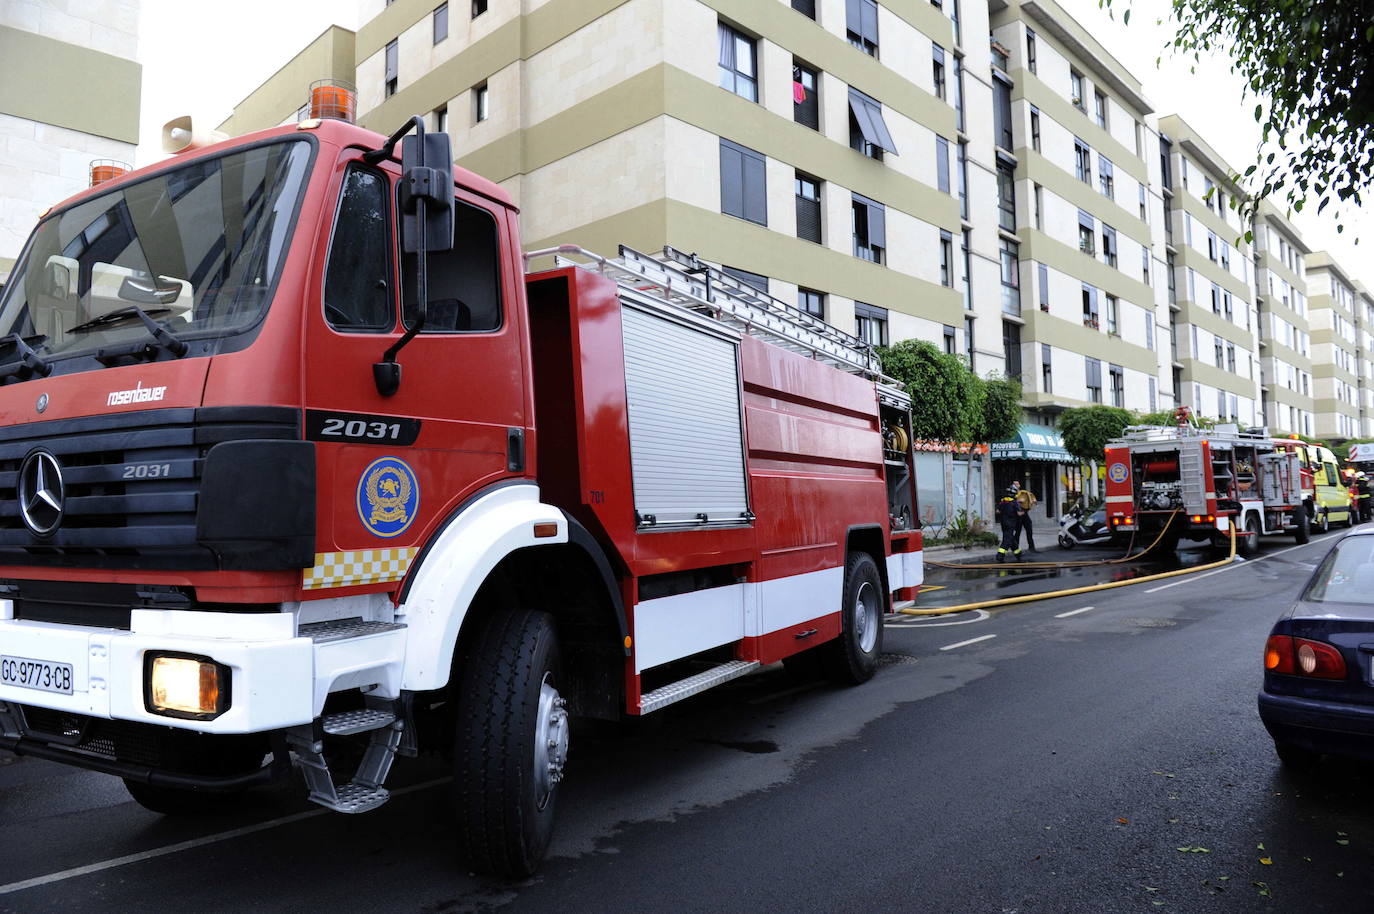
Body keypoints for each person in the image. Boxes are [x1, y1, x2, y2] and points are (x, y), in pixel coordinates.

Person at [997, 485, 1024, 562]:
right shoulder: (1014, 503)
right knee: (1007, 540)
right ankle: (1000, 555)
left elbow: (998, 511)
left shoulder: (1003, 501)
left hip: (1003, 523)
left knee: (1011, 539)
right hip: (1011, 524)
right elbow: (1019, 513)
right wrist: (1024, 511)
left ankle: (1018, 554)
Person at [1014, 481, 1038, 552]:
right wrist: (1018, 501)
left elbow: (1031, 496)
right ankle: (1015, 549)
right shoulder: (1012, 493)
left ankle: (1031, 547)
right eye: (1015, 484)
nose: (1017, 485)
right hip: (1018, 513)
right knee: (1018, 531)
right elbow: (1011, 502)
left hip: (1024, 512)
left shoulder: (1023, 492)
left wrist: (1033, 500)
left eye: (1018, 484)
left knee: (1029, 529)